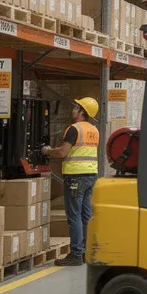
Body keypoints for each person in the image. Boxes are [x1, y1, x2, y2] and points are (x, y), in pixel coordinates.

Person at [41, 97, 99, 266]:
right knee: (86, 216)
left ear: (82, 112)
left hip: (75, 176)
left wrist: (47, 150)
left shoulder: (74, 129)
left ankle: (75, 254)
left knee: (74, 216)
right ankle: (86, 252)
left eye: (76, 107)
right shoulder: (94, 130)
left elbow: (62, 152)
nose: (73, 109)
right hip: (90, 175)